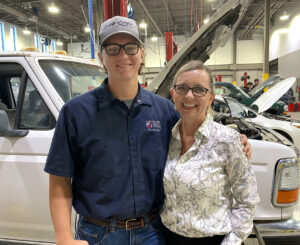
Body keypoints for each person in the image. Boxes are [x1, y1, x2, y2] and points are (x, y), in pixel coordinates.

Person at [44, 16, 252, 245]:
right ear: (101, 57)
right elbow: (60, 180)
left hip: (152, 233)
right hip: (99, 234)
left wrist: (236, 141)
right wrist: (63, 237)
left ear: (142, 54)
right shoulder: (75, 113)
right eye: (112, 49)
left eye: (131, 47)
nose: (123, 56)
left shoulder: (165, 111)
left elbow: (198, 130)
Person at [160, 60, 259, 245]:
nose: (189, 96)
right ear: (173, 94)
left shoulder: (227, 140)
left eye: (199, 89)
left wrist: (232, 241)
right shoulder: (167, 138)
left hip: (213, 240)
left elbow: (247, 200)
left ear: (211, 97)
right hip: (168, 238)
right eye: (182, 88)